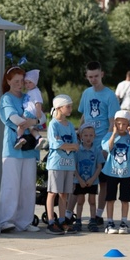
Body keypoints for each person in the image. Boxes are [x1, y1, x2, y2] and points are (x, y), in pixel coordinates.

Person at [0, 66, 41, 231]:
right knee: (11, 185)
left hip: (29, 148)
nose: (19, 84)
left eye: (21, 81)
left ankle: (25, 222)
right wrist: (32, 122)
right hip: (13, 148)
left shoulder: (28, 95)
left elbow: (42, 116)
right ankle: (6, 220)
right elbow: (14, 119)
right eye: (15, 81)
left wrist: (33, 122)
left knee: (28, 186)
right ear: (8, 81)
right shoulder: (6, 99)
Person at [78, 61, 120, 228]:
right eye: (90, 77)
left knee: (102, 181)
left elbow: (112, 122)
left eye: (96, 76)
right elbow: (83, 116)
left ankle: (98, 214)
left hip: (101, 143)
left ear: (102, 74)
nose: (93, 79)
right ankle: (78, 214)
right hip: (85, 144)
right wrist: (78, 134)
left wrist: (105, 146)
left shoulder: (109, 96)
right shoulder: (86, 93)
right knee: (84, 178)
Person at [44, 95, 79, 233]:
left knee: (64, 193)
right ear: (59, 107)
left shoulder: (70, 125)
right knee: (52, 192)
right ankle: (51, 221)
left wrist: (67, 145)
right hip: (56, 164)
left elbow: (76, 145)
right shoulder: (53, 124)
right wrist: (68, 145)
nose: (70, 109)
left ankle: (62, 220)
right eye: (68, 106)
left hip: (68, 164)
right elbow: (56, 144)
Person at [101, 110, 130, 234]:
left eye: (124, 124)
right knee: (110, 198)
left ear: (129, 124)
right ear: (115, 124)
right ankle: (110, 222)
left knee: (125, 199)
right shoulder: (109, 135)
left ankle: (124, 222)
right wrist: (113, 134)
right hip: (112, 172)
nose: (121, 127)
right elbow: (108, 147)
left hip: (126, 174)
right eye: (118, 124)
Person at [71, 125, 102, 230]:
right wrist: (79, 179)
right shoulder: (77, 151)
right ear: (81, 136)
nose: (88, 138)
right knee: (80, 201)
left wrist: (93, 179)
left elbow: (99, 166)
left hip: (92, 181)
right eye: (86, 135)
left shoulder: (96, 150)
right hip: (80, 181)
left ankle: (93, 220)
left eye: (91, 135)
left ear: (94, 136)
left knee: (92, 201)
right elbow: (74, 167)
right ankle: (78, 220)